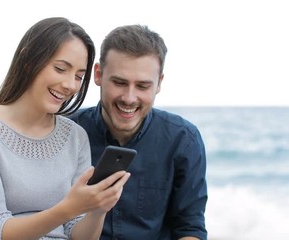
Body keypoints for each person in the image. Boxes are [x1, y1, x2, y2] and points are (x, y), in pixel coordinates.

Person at [0, 17, 131, 240]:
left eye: (79, 76)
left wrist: (97, 209)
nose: (70, 85)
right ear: (28, 59)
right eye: (60, 68)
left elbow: (80, 235)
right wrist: (67, 209)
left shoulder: (75, 137)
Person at [69, 24, 208, 239]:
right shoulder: (66, 132)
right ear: (98, 74)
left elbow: (190, 227)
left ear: (159, 83)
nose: (129, 98)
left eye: (142, 86)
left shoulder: (184, 140)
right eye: (119, 82)